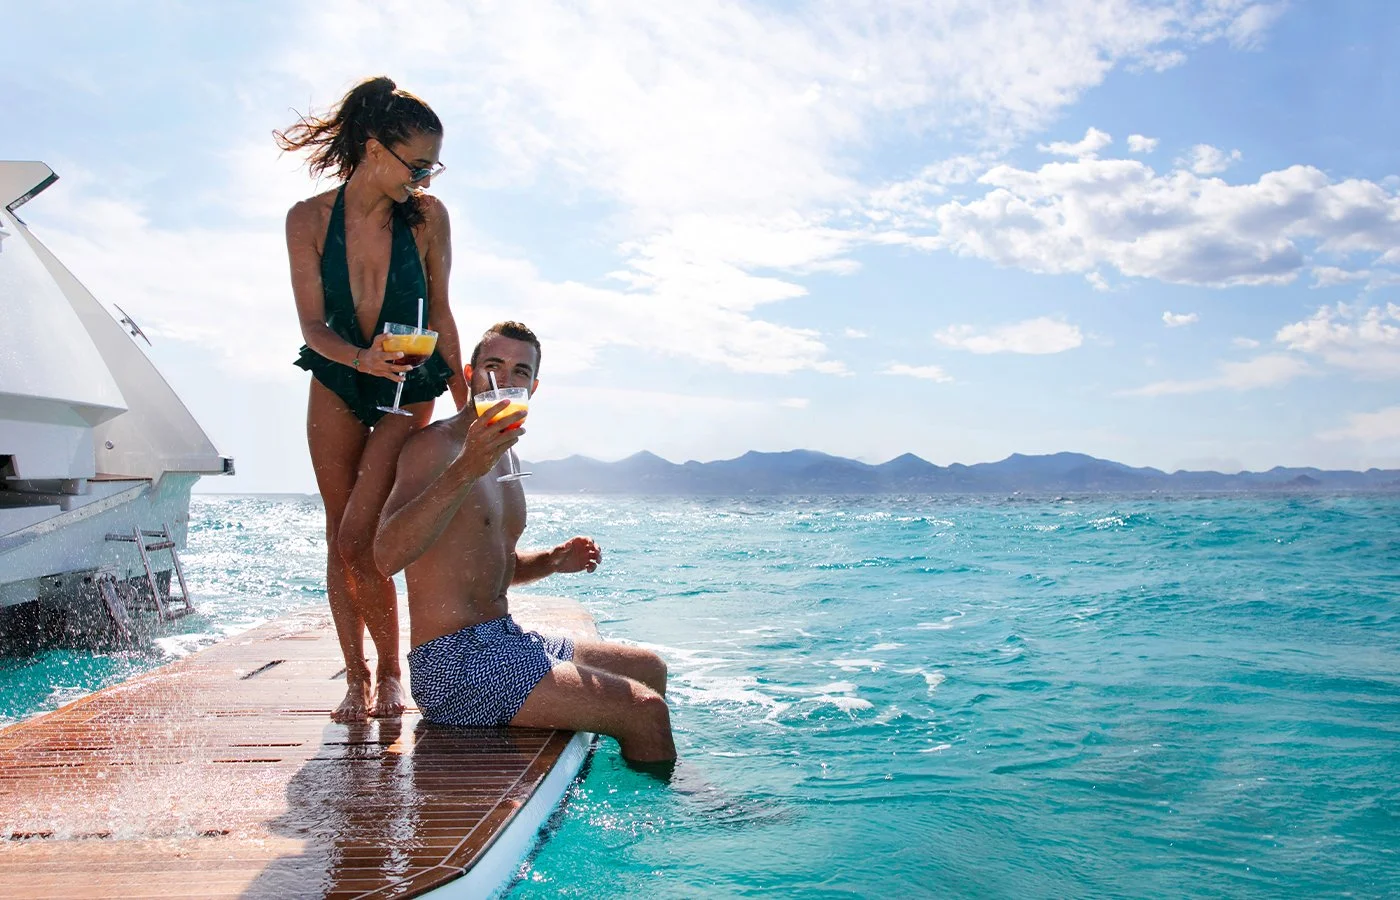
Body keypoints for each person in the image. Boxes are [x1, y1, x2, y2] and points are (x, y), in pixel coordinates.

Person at [374, 322, 677, 763]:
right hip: (452, 664)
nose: (504, 380)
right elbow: (386, 557)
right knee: (644, 710)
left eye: (519, 372)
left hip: (506, 637)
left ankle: (633, 768)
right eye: (493, 366)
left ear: (533, 387)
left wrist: (553, 560)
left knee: (649, 669)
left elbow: (491, 564)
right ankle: (678, 810)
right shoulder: (434, 447)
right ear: (469, 374)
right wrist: (466, 468)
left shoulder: (507, 453)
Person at [277, 76, 471, 722]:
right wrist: (359, 358)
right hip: (337, 376)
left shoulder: (428, 219)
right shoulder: (307, 221)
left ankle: (393, 671)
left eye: (430, 165)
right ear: (373, 147)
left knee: (364, 533)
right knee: (338, 536)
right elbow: (311, 326)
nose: (423, 176)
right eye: (415, 163)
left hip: (405, 387)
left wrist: (467, 405)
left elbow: (440, 311)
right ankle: (356, 680)